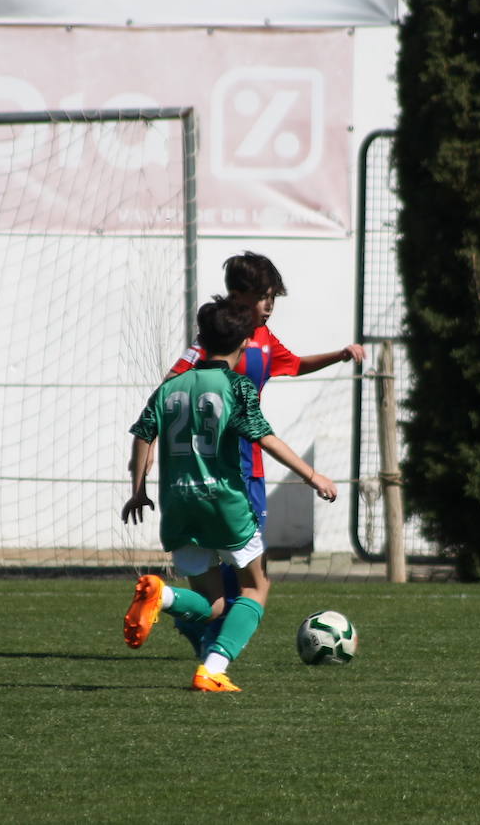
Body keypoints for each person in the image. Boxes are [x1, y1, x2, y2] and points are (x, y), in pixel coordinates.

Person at [121, 298, 338, 692]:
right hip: (224, 502)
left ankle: (163, 596)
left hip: (177, 505)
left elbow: (143, 434)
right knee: (256, 587)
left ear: (201, 340)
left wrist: (137, 491)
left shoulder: (170, 387)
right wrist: (312, 475)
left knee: (214, 604)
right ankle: (213, 668)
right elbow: (264, 436)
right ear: (242, 344)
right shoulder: (236, 386)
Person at [162, 251, 364, 655]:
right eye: (262, 297)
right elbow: (172, 382)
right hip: (217, 471)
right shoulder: (214, 342)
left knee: (247, 566)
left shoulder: (265, 340)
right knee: (237, 569)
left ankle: (200, 627)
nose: (269, 306)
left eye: (273, 297)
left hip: (251, 470)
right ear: (237, 296)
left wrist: (338, 355)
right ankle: (208, 636)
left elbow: (292, 364)